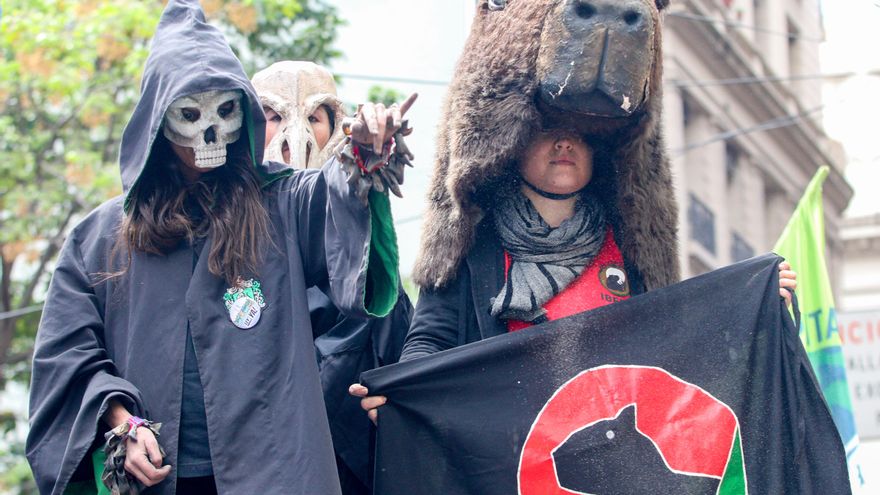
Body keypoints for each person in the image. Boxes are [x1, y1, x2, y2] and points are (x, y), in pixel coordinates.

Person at [26, 1, 413, 494]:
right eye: (191, 114)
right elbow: (68, 358)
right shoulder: (98, 239)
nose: (210, 132)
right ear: (158, 120)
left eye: (225, 110)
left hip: (274, 477)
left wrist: (363, 159)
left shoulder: (282, 203)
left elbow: (333, 200)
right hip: (157, 480)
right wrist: (122, 422)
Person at [351, 128, 797, 421]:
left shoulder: (632, 247)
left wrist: (753, 300)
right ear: (515, 143)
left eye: (578, 135)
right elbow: (429, 343)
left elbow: (679, 344)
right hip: (508, 459)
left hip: (615, 458)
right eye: (547, 132)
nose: (564, 144)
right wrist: (399, 395)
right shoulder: (469, 245)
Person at [252, 61, 413, 495]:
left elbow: (404, 360)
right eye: (273, 117)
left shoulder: (366, 256)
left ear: (336, 127)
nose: (294, 137)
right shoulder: (223, 241)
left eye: (313, 117)